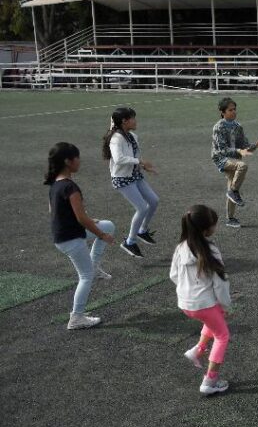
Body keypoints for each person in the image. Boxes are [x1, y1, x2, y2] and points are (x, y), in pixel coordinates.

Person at [46, 142, 116, 330]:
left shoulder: (56, 184)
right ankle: (76, 317)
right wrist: (101, 234)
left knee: (108, 225)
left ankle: (95, 265)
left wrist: (91, 222)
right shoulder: (70, 187)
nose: (80, 161)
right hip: (70, 238)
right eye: (77, 158)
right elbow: (81, 217)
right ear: (69, 161)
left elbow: (56, 212)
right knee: (86, 276)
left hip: (63, 234)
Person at [171, 204, 233, 396]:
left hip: (186, 303)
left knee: (214, 320)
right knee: (223, 336)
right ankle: (210, 381)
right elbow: (220, 283)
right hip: (204, 304)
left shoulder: (181, 247)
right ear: (207, 229)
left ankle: (198, 350)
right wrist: (226, 304)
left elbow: (173, 275)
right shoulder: (210, 250)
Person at [103, 107, 158, 259]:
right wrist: (139, 161)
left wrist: (144, 166)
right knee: (141, 208)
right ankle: (129, 242)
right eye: (132, 118)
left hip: (135, 175)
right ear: (124, 121)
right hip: (122, 178)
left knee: (154, 201)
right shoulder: (116, 138)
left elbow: (134, 154)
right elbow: (119, 159)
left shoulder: (132, 135)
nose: (135, 121)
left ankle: (142, 231)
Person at [211, 97, 258, 228]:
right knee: (242, 166)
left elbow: (244, 145)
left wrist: (254, 146)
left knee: (231, 188)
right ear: (222, 112)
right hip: (221, 158)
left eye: (235, 109)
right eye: (230, 110)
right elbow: (222, 149)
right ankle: (233, 192)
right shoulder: (218, 127)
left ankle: (230, 218)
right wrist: (239, 151)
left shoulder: (238, 126)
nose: (234, 112)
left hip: (234, 158)